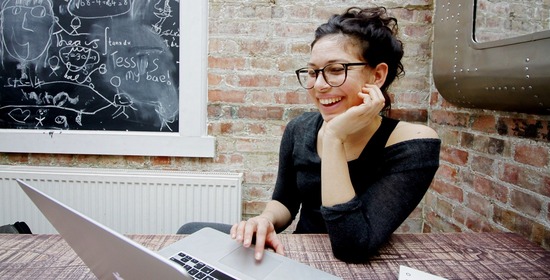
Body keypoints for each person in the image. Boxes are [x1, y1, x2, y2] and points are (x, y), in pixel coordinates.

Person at [179, 6, 440, 263]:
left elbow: (352, 245)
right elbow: (284, 202)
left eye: (336, 70)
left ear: (378, 75)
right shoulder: (300, 128)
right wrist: (265, 220)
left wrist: (335, 137)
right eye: (313, 72)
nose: (319, 85)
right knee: (190, 235)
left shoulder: (413, 144)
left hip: (354, 265)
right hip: (297, 256)